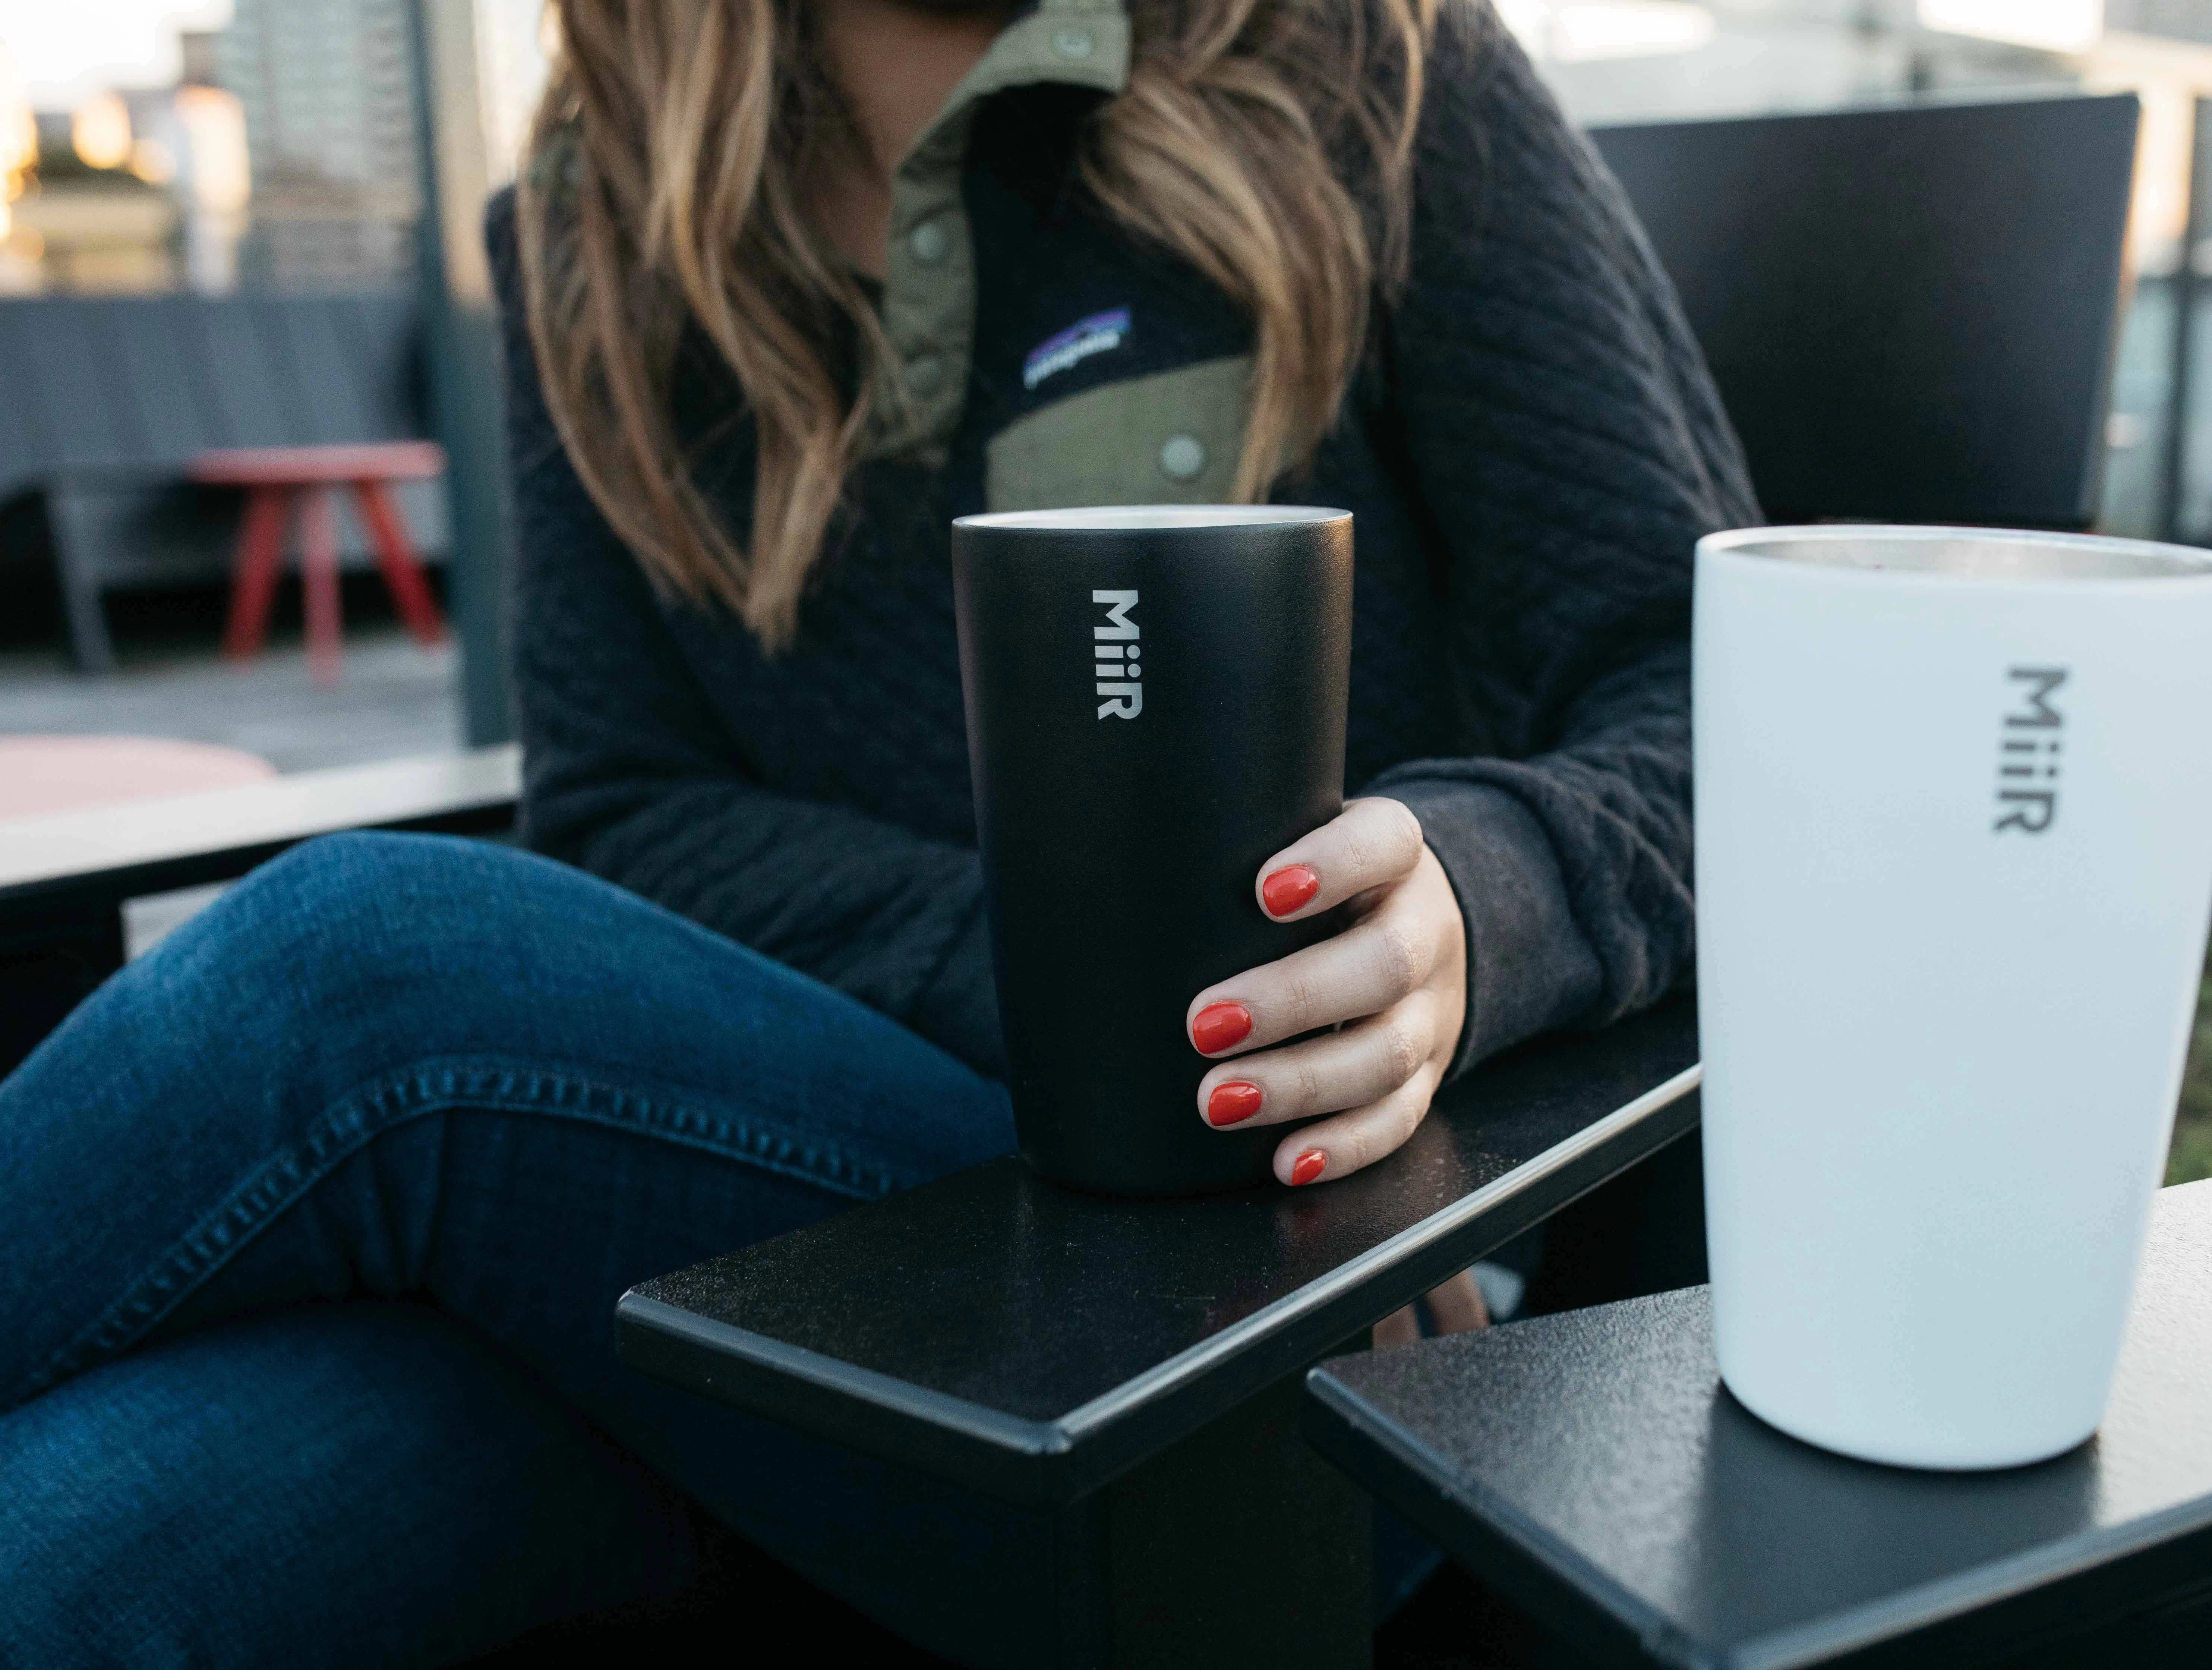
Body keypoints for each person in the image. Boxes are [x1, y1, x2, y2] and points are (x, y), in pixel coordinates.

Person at [0, 0, 1754, 1660]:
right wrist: (1085, 987)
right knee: (69, 1542)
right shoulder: (600, 214)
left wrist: (1467, 911)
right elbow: (624, 815)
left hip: (1313, 1347)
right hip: (769, 1273)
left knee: (359, 965)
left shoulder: (1356, 59)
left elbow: (1716, 691)